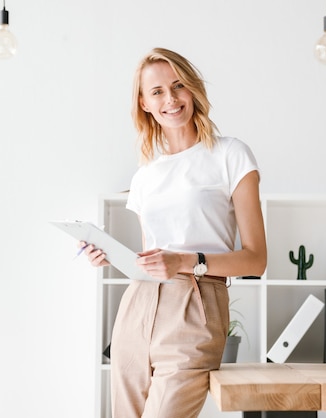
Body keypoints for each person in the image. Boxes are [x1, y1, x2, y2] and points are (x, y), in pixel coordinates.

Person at [83, 47, 267, 418]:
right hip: (138, 307)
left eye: (178, 85)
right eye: (157, 92)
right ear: (144, 103)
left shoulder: (231, 155)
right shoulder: (144, 175)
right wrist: (107, 255)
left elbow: (256, 259)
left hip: (196, 305)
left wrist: (184, 260)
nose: (171, 99)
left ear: (193, 89)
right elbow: (151, 258)